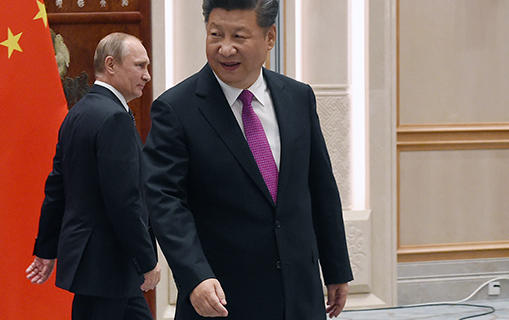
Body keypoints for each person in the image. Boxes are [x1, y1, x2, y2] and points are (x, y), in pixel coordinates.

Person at [143, 0, 353, 319]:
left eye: (239, 37)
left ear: (270, 37)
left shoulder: (298, 98)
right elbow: (164, 201)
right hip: (222, 297)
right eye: (216, 35)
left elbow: (320, 186)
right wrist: (194, 274)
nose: (225, 49)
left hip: (299, 294)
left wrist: (336, 266)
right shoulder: (176, 110)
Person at [26, 32, 161, 320]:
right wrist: (148, 260)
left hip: (100, 267)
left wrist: (47, 248)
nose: (147, 75)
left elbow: (57, 188)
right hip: (107, 266)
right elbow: (125, 201)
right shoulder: (113, 118)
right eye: (139, 66)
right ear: (110, 65)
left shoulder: (78, 113)